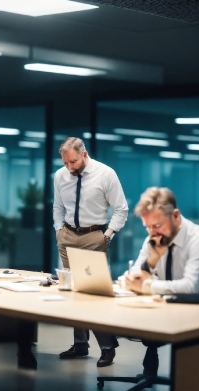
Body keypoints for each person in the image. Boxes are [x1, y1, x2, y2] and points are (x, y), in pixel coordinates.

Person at [123, 186, 199, 374]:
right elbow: (135, 273)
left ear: (175, 216)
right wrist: (151, 261)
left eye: (157, 226)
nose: (152, 233)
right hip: (166, 309)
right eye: (148, 227)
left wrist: (146, 285)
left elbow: (190, 287)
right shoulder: (154, 238)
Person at [53, 137, 128, 368]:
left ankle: (107, 348)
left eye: (73, 162)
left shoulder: (105, 174)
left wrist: (107, 235)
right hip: (67, 236)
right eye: (65, 162)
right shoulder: (60, 176)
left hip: (94, 237)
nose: (69, 167)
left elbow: (121, 208)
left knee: (93, 293)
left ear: (84, 155)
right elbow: (58, 206)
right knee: (73, 292)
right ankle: (80, 344)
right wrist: (59, 230)